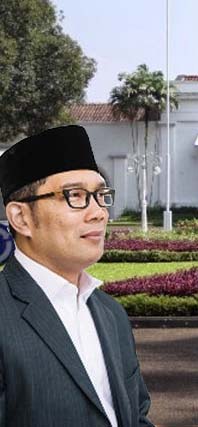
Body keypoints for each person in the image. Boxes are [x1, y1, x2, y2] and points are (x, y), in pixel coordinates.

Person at [0, 125, 154, 426]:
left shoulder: (111, 314)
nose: (98, 212)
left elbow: (136, 416)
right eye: (75, 196)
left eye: (100, 195)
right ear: (21, 218)